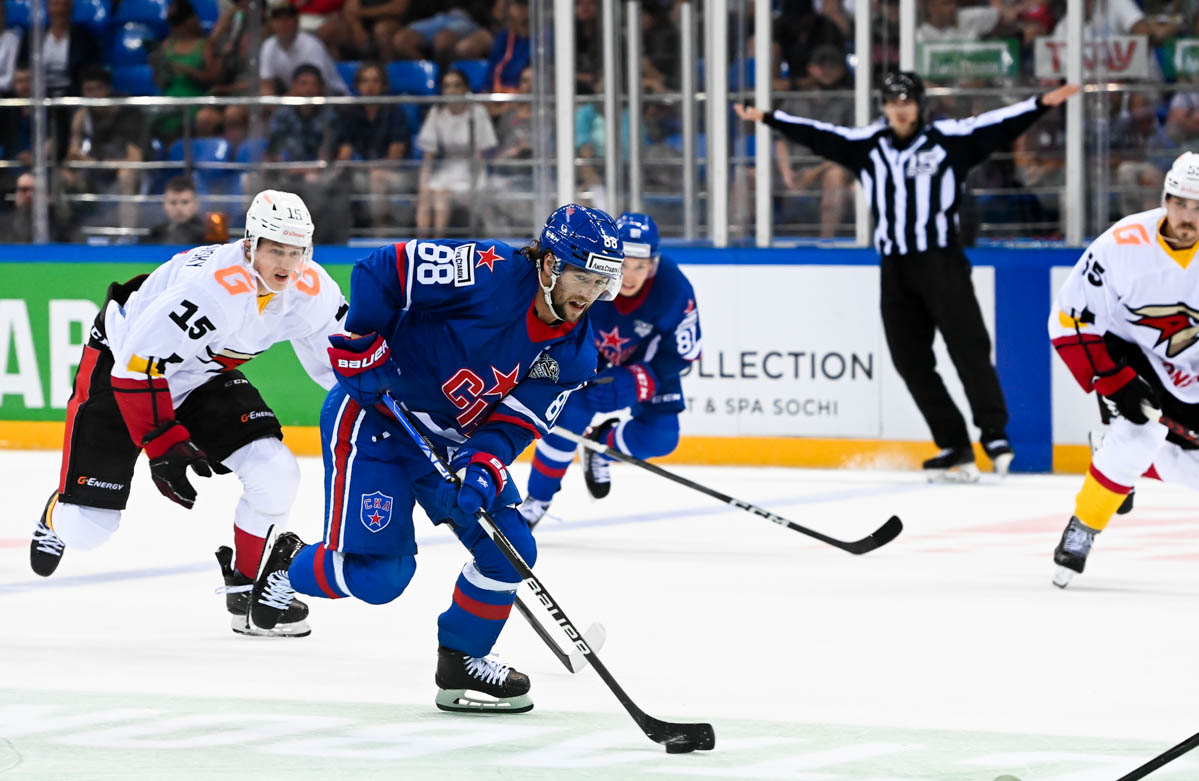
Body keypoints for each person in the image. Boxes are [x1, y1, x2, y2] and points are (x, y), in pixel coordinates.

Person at [245, 204, 624, 713]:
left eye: (601, 282)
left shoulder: (574, 352)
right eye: (583, 277)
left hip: (451, 442)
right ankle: (288, 565)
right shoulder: (489, 271)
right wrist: (362, 340)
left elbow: (516, 423)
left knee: (510, 548)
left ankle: (462, 660)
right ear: (551, 263)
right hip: (377, 418)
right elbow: (382, 269)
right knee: (379, 580)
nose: (590, 293)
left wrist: (483, 466)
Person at [29, 190, 347, 639]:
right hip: (121, 367)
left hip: (199, 373)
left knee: (275, 471)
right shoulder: (210, 290)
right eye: (276, 250)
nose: (286, 264)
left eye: (296, 252)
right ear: (250, 244)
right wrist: (162, 444)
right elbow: (137, 368)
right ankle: (58, 510)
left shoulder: (311, 289)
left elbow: (344, 365)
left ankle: (246, 589)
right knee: (86, 529)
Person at [735, 72, 1081, 480]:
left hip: (941, 261)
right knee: (909, 359)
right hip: (895, 267)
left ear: (919, 105)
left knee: (968, 348)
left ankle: (994, 435)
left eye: (907, 102)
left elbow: (997, 125)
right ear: (884, 107)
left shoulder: (947, 141)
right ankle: (954, 443)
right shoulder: (869, 146)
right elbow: (820, 135)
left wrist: (1041, 104)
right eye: (893, 102)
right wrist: (769, 117)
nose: (900, 110)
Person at [1048, 152, 1199, 588]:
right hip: (1127, 350)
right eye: (1180, 203)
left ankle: (1114, 458)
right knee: (1138, 434)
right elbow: (1071, 318)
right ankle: (1083, 528)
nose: (1187, 217)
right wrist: (1113, 380)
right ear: (1165, 200)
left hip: (1188, 364)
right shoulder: (1122, 244)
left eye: (1198, 207)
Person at [519, 212, 702, 526]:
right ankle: (537, 499)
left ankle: (601, 446)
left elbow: (686, 351)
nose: (630, 276)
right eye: (624, 264)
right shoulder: (586, 275)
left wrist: (645, 378)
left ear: (653, 265)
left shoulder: (673, 287)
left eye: (640, 267)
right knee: (567, 422)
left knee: (662, 438)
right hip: (591, 357)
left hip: (647, 361)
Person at [415, 67, 497, 235]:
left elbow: (482, 153)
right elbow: (428, 155)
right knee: (426, 197)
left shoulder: (478, 112)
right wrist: (422, 186)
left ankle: (437, 242)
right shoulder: (436, 112)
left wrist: (475, 185)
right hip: (446, 169)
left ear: (466, 88)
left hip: (471, 171)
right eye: (447, 86)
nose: (451, 90)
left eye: (457, 85)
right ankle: (420, 243)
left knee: (441, 195)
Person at [258, 1, 349, 96]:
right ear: (271, 24)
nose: (283, 24)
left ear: (297, 21)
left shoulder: (311, 44)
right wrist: (269, 98)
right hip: (296, 98)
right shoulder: (268, 45)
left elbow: (312, 86)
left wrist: (283, 102)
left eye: (288, 19)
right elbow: (266, 83)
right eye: (278, 20)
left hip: (332, 97)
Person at [144, 175, 208, 245]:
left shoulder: (208, 236)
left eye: (185, 202)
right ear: (164, 205)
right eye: (173, 202)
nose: (178, 208)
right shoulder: (155, 234)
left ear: (196, 204)